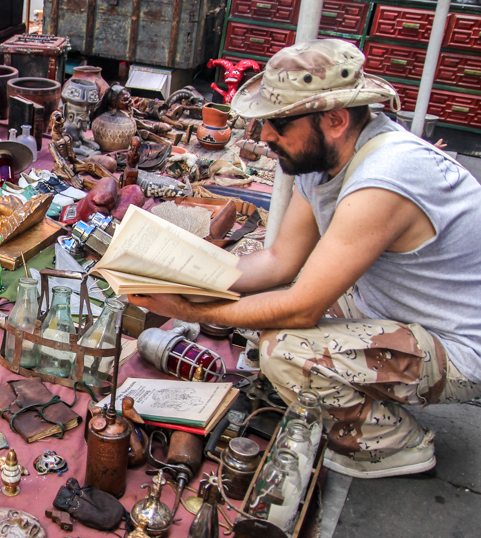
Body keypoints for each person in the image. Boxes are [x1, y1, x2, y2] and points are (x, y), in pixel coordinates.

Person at [130, 39, 481, 479]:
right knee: (258, 310)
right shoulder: (324, 157)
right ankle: (351, 391)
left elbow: (303, 307)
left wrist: (182, 309)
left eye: (278, 123)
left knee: (282, 347)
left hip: (457, 349)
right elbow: (279, 261)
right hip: (393, 310)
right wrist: (188, 280)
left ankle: (394, 443)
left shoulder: (386, 177)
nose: (265, 138)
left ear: (334, 120)